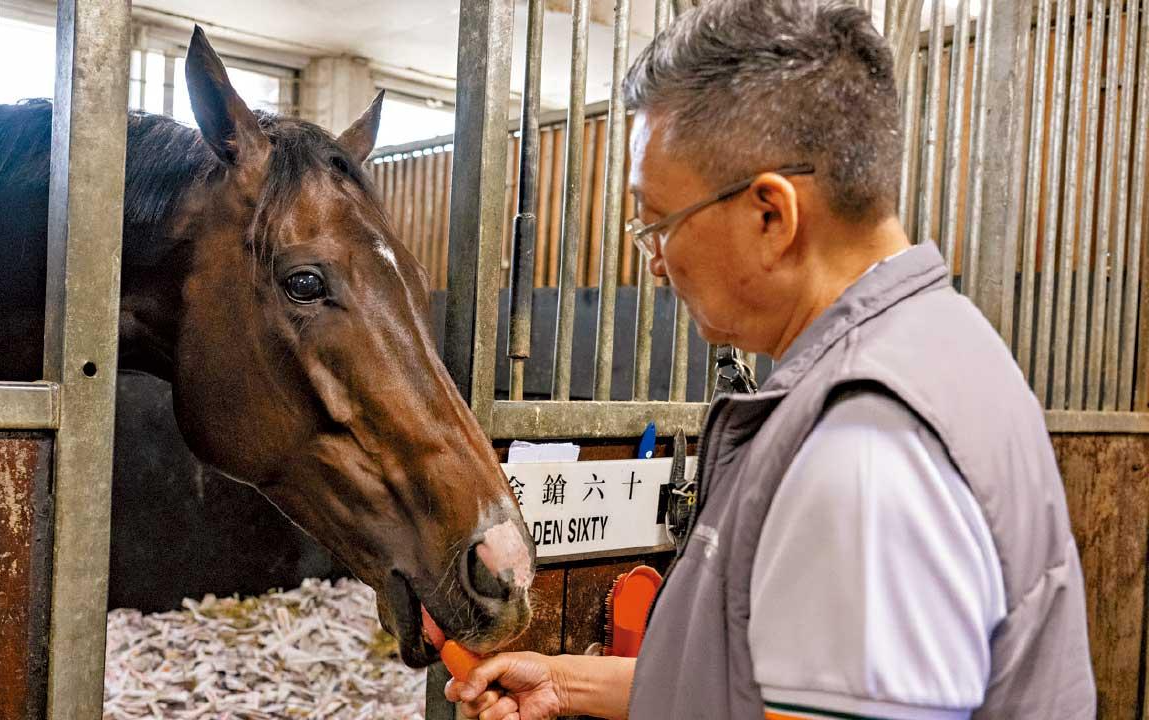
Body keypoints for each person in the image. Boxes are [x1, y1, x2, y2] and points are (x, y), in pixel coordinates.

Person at [445, 0, 1098, 718]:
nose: (655, 262)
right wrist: (567, 684)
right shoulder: (945, 345)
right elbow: (766, 687)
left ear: (771, 217)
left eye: (658, 222)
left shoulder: (866, 444)